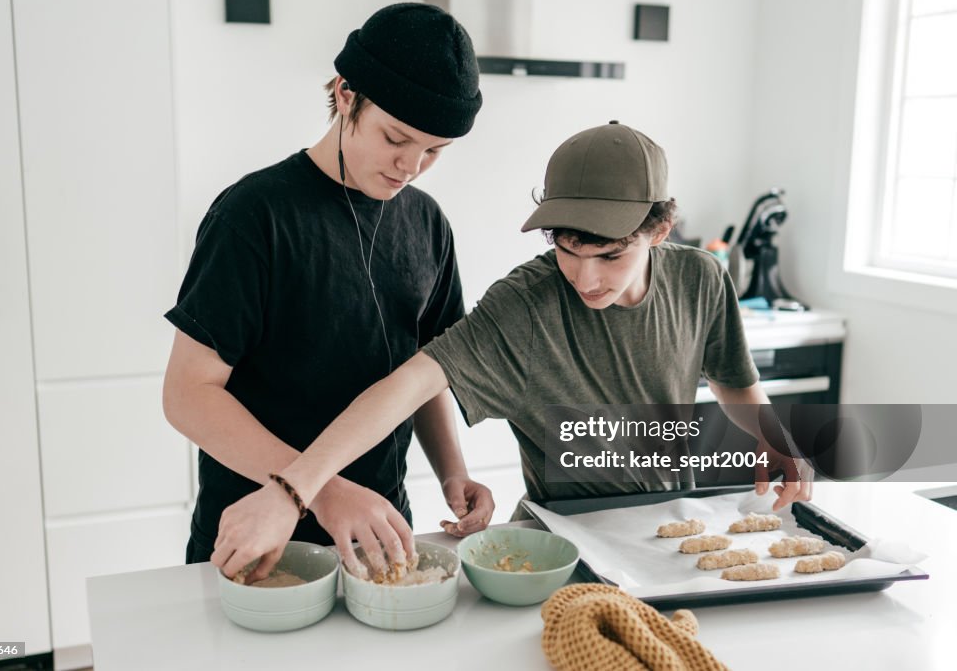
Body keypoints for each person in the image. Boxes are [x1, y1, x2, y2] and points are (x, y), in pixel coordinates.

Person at [210, 121, 814, 582]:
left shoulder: (702, 279)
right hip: (563, 546)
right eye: (568, 251)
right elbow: (410, 383)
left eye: (610, 256)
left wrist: (775, 437)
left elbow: (737, 385)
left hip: (673, 533)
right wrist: (296, 489)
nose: (584, 277)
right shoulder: (525, 305)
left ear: (659, 232)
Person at [162, 3, 495, 583]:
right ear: (346, 94)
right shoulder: (253, 215)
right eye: (397, 137)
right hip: (259, 540)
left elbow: (425, 372)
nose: (411, 166)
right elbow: (188, 395)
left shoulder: (428, 224)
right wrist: (318, 490)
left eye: (434, 150)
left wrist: (451, 474)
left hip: (379, 537)